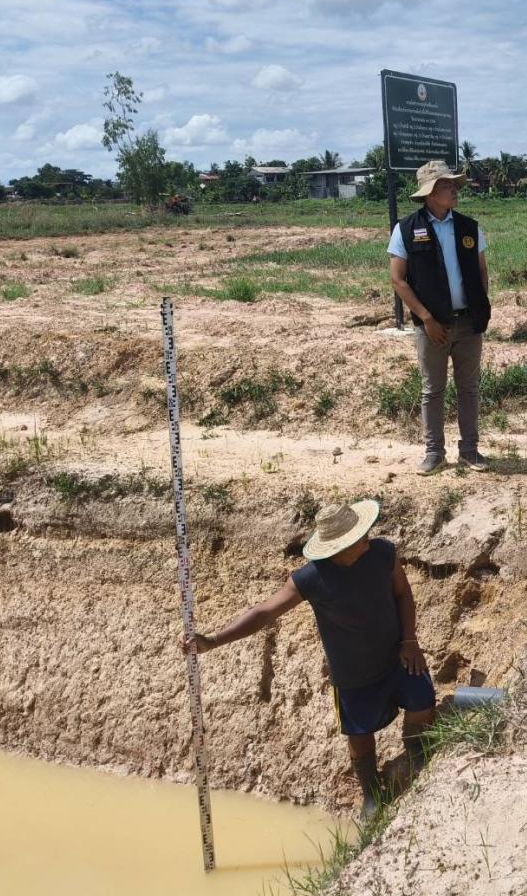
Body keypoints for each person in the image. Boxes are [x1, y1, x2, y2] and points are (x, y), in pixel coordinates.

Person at [184, 500, 434, 818]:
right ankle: (371, 793)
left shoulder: (383, 553)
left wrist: (410, 641)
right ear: (339, 548)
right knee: (358, 733)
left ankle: (416, 754)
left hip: (397, 654)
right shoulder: (311, 578)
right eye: (360, 537)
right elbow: (265, 612)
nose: (367, 539)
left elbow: (403, 593)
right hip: (353, 673)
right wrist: (214, 640)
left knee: (422, 699)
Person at [389, 160, 492, 475]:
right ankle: (434, 453)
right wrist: (426, 318)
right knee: (433, 390)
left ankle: (470, 451)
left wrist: (479, 307)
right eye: (447, 186)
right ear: (430, 193)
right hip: (432, 326)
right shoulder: (406, 229)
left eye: (453, 185)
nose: (454, 190)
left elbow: (482, 271)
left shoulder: (469, 227)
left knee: (469, 388)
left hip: (468, 324)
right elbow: (398, 280)